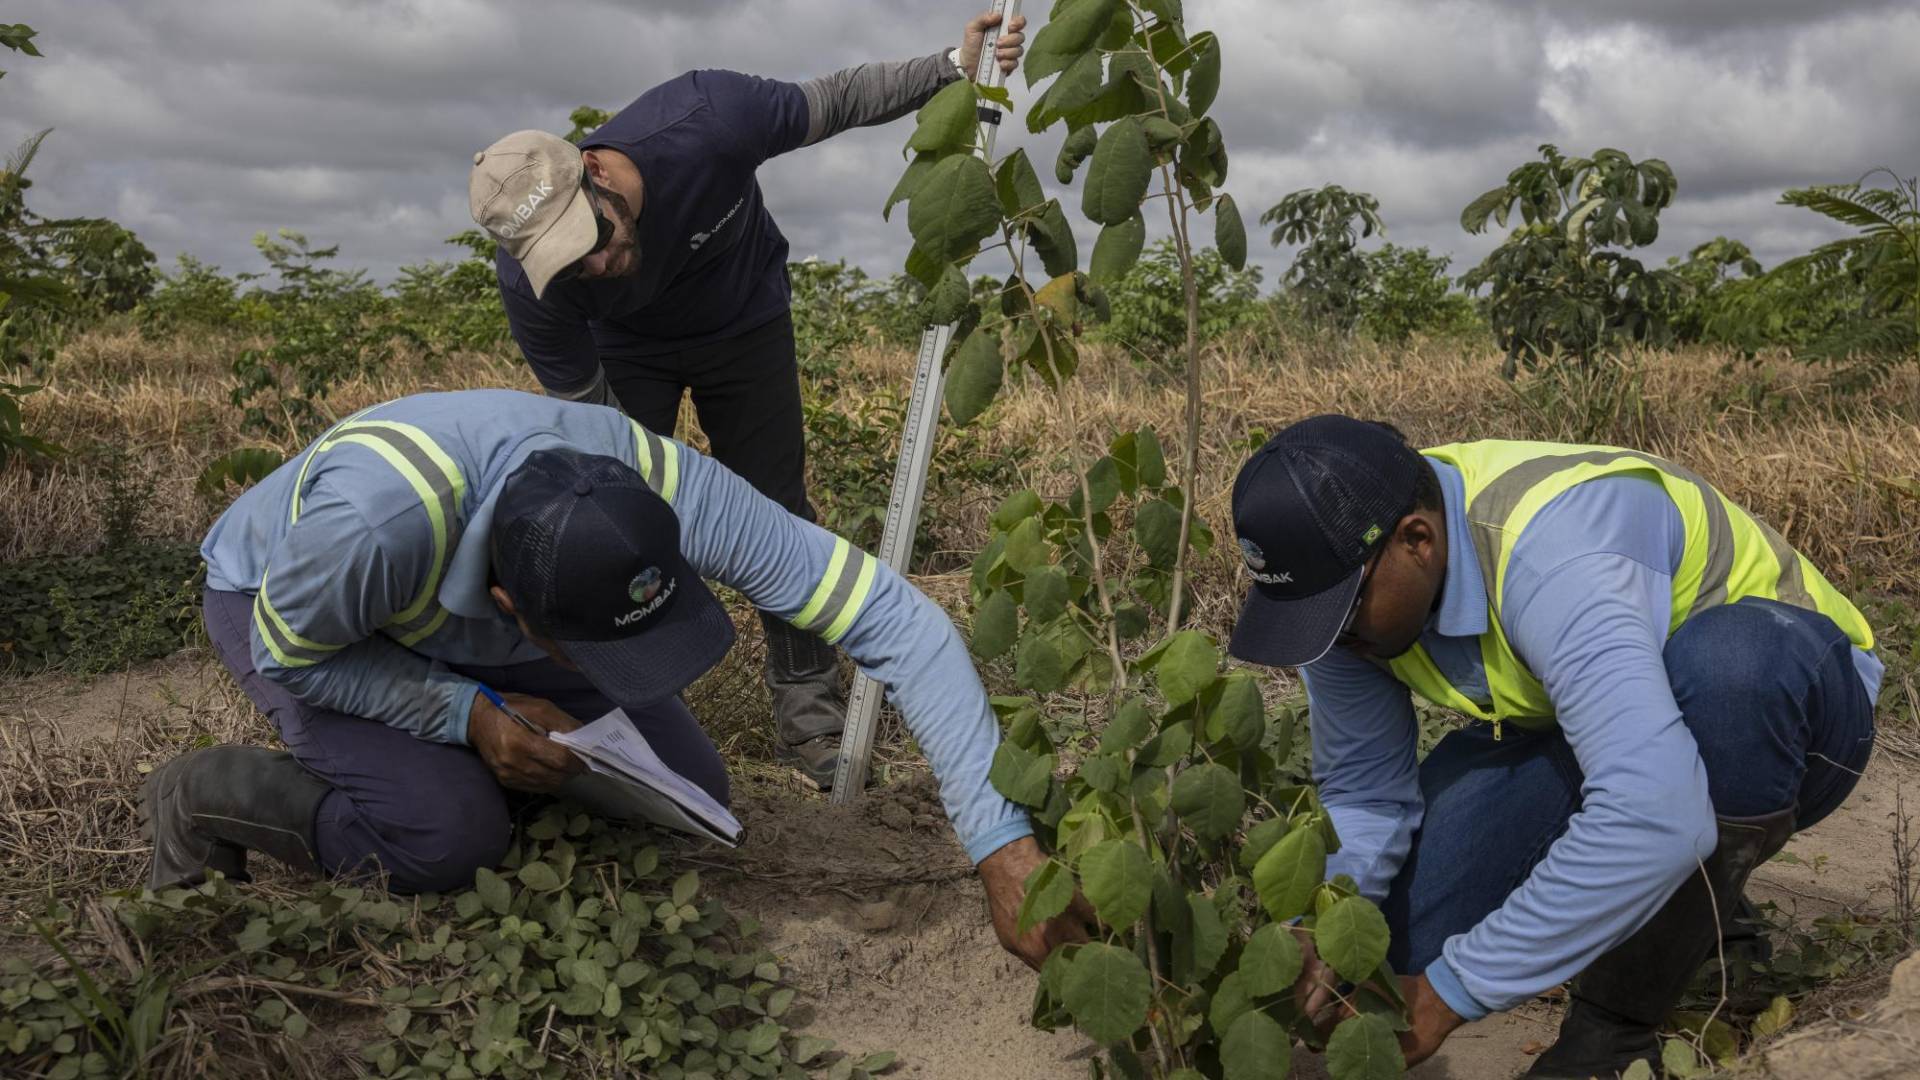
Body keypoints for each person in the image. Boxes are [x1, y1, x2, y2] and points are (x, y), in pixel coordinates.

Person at [141, 389, 1087, 969]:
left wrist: (1003, 850)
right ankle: (203, 795)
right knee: (447, 841)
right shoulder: (377, 525)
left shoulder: (658, 489)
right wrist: (468, 711)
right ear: (509, 607)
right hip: (300, 616)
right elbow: (290, 652)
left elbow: (897, 620)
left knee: (690, 794)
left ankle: (488, 764)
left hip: (468, 613)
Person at [466, 11, 1027, 787]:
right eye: (566, 261)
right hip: (627, 353)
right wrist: (644, 508)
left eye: (590, 237)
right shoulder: (536, 291)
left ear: (595, 170)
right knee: (609, 516)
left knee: (778, 507)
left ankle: (808, 710)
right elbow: (593, 430)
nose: (593, 264)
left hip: (744, 322)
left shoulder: (707, 121)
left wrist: (950, 64)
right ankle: (632, 704)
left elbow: (839, 100)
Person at [1225, 415, 1880, 1077]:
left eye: (1341, 613)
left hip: (1795, 715)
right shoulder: (1340, 589)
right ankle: (1682, 902)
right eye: (1304, 617)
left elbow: (1656, 813)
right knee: (1391, 948)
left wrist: (1453, 991)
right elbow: (1367, 791)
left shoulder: (1554, 548)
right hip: (1598, 727)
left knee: (1734, 673)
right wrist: (1330, 916)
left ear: (1417, 541)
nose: (1328, 640)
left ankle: (1616, 1030)